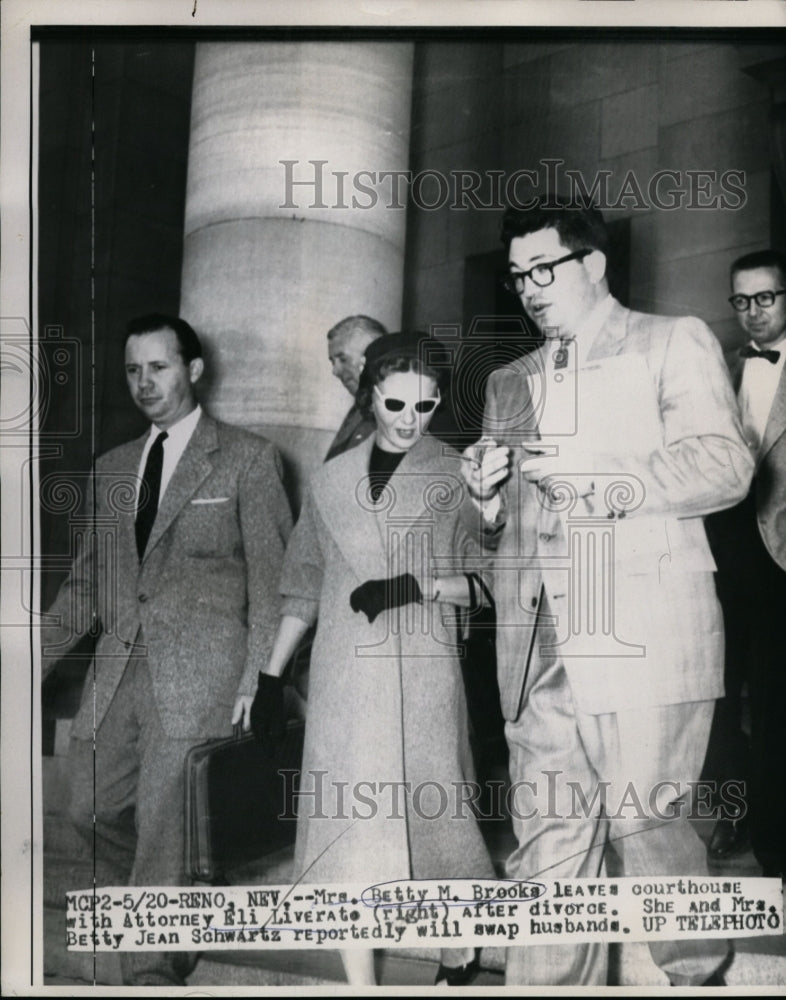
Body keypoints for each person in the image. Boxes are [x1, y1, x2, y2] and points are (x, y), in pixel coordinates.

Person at [460, 198, 754, 986]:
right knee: (549, 848)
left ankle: (698, 978)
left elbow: (725, 467)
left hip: (638, 631)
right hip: (537, 647)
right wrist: (489, 508)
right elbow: (504, 537)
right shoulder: (509, 383)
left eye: (543, 269)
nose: (528, 288)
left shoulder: (670, 341)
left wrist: (605, 482)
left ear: (593, 264)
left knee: (653, 833)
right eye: (517, 276)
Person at [40, 313, 293, 986]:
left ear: (194, 369)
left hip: (204, 671)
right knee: (86, 808)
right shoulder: (112, 467)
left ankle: (150, 969)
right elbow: (86, 585)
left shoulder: (247, 457)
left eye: (158, 366)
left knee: (162, 818)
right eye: (133, 370)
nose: (144, 383)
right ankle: (178, 897)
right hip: (120, 666)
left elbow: (275, 583)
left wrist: (259, 678)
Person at [251, 332, 495, 987]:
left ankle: (457, 957)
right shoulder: (330, 480)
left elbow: (494, 578)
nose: (409, 420)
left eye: (425, 406)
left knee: (438, 820)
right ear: (369, 396)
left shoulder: (457, 473)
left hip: (424, 675)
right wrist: (271, 677)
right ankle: (361, 984)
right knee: (347, 833)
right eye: (394, 403)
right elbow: (302, 583)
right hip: (345, 680)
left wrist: (418, 587)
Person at [703, 249, 786, 879]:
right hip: (721, 551)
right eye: (741, 300)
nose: (752, 313)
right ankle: (732, 811)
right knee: (718, 694)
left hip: (780, 557)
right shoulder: (718, 371)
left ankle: (775, 835)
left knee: (777, 695)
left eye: (766, 298)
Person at [324, 314, 387, 460]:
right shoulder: (360, 408)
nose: (335, 371)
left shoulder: (398, 412)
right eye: (333, 361)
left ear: (374, 355)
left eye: (343, 359)